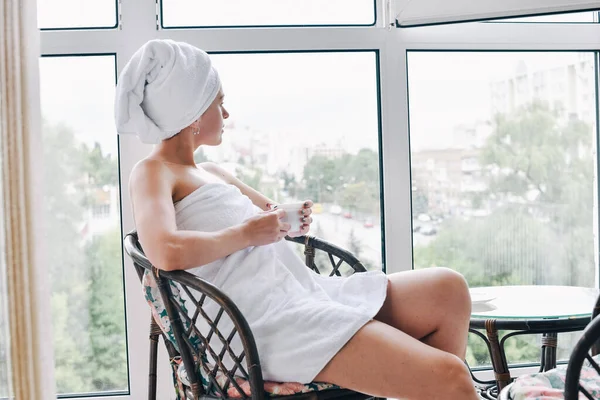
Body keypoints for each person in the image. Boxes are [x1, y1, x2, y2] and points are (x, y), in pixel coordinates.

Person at [115, 39, 479, 400]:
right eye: (219, 104)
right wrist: (247, 233)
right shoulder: (152, 172)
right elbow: (165, 252)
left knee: (448, 289)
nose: (226, 115)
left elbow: (270, 217)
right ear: (192, 114)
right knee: (452, 377)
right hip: (265, 324)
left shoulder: (211, 171)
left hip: (302, 293)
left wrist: (289, 221)